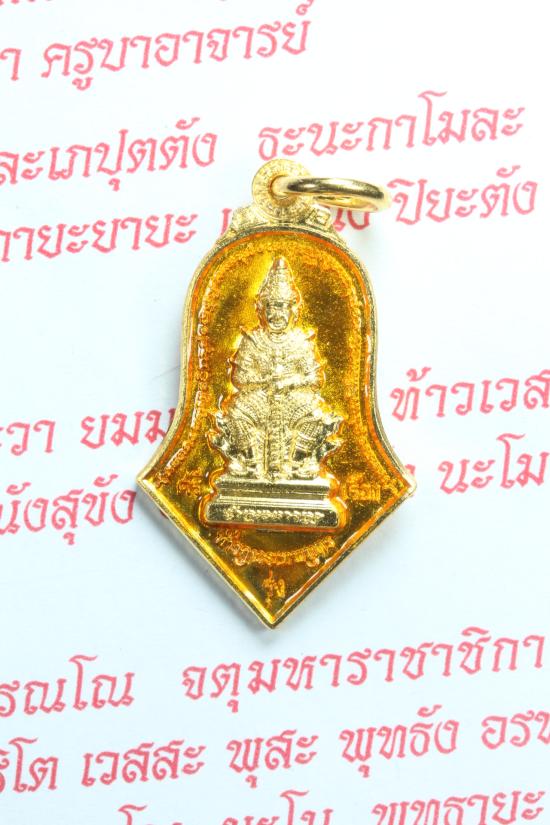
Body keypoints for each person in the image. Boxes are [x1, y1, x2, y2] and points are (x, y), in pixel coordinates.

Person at [210, 256, 341, 480]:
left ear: (293, 310)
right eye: (270, 307)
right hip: (259, 397)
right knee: (237, 413)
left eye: (281, 307)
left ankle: (299, 463)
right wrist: (265, 381)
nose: (275, 314)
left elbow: (315, 379)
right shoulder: (253, 340)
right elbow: (239, 378)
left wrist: (288, 382)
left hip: (293, 399)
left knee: (315, 416)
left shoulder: (301, 341)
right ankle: (250, 463)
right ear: (261, 310)